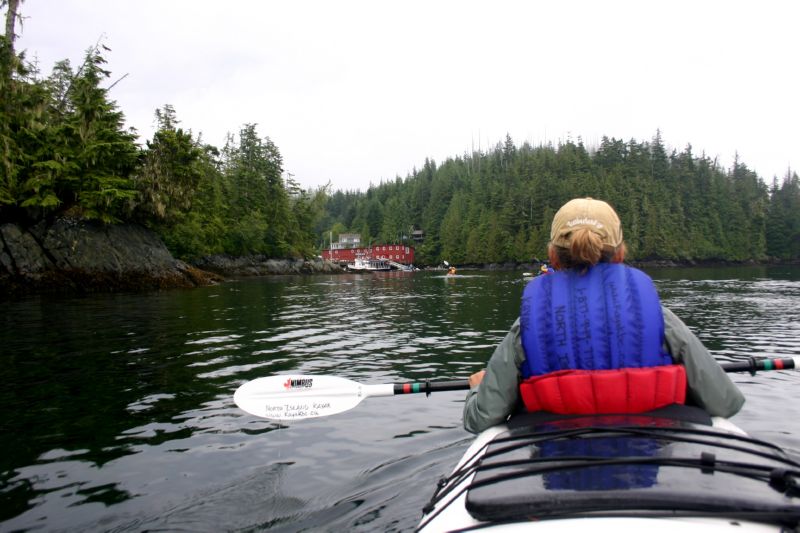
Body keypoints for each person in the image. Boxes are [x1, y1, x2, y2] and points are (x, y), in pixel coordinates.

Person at [464, 197, 745, 434]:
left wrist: (478, 391)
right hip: (647, 458)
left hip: (559, 456)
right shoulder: (661, 319)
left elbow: (482, 419)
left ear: (553, 256)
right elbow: (724, 403)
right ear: (621, 254)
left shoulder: (525, 328)